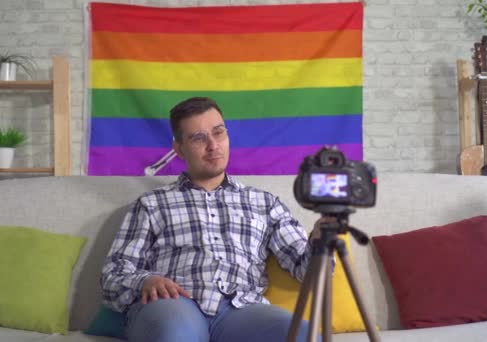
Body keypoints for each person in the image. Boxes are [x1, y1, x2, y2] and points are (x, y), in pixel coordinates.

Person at [101, 97, 327, 342]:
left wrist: (320, 239)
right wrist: (146, 280)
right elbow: (113, 275)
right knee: (176, 334)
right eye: (198, 138)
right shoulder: (151, 204)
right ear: (179, 148)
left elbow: (308, 272)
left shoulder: (265, 203)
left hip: (242, 310)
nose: (213, 145)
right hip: (175, 304)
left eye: (218, 133)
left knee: (304, 335)